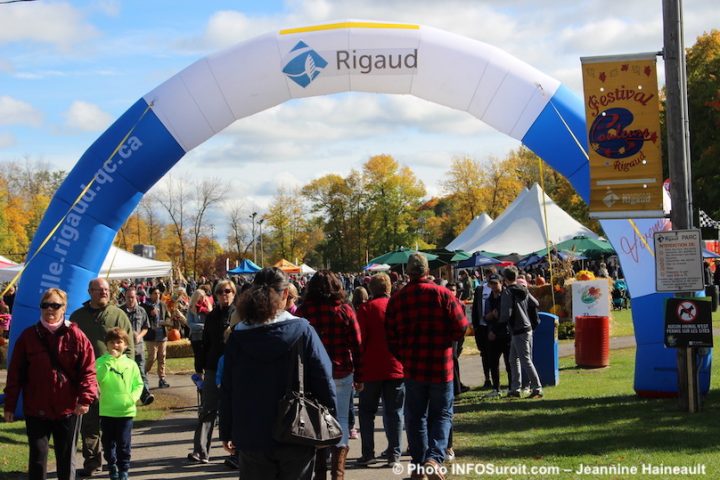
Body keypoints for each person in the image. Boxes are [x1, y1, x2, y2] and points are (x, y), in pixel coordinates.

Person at [219, 267, 336, 480]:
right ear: (285, 294)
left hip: (252, 432)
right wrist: (329, 421)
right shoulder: (302, 330)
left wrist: (226, 430)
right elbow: (324, 378)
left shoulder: (239, 336)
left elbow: (227, 387)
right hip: (297, 429)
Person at [385, 253, 468, 480]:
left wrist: (403, 355)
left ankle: (420, 464)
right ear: (427, 271)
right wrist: (447, 342)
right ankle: (434, 458)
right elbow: (462, 326)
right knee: (441, 414)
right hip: (441, 365)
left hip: (413, 366)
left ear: (408, 273)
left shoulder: (398, 299)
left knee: (416, 416)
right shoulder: (443, 294)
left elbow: (390, 337)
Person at [4, 288, 98, 480]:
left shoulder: (77, 336)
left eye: (55, 305)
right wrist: (10, 405)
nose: (50, 310)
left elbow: (88, 370)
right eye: (45, 305)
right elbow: (15, 374)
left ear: (64, 308)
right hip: (36, 409)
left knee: (65, 459)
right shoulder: (28, 337)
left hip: (68, 409)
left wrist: (85, 399)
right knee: (38, 458)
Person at [296, 270, 362, 480]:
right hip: (342, 370)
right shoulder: (344, 310)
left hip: (312, 375)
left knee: (316, 421)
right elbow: (357, 344)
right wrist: (360, 375)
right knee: (340, 420)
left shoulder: (304, 312)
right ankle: (337, 474)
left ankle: (321, 472)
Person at [71, 278, 134, 477]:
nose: (104, 293)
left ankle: (112, 461)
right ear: (90, 291)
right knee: (89, 424)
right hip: (87, 379)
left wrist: (126, 375)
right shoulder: (78, 316)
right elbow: (70, 348)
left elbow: (129, 347)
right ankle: (91, 462)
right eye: (99, 290)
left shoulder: (118, 315)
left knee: (112, 426)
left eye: (106, 290)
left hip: (113, 383)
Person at [355, 273, 405, 469]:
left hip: (371, 369)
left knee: (366, 412)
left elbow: (360, 342)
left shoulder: (366, 309)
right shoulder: (398, 307)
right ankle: (394, 453)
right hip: (396, 367)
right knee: (395, 412)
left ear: (371, 289)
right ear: (389, 288)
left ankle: (368, 453)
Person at [187, 279, 235, 464]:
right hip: (213, 367)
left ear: (233, 293)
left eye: (228, 291)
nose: (225, 294)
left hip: (234, 369)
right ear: (215, 295)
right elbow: (204, 343)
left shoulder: (239, 314)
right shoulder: (212, 316)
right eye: (221, 291)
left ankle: (236, 453)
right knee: (207, 410)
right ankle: (200, 451)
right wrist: (199, 367)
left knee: (234, 410)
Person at [96, 328, 143, 480]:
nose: (115, 345)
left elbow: (138, 384)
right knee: (108, 443)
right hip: (107, 410)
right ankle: (112, 466)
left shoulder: (131, 364)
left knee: (124, 443)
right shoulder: (101, 362)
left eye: (119, 342)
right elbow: (98, 379)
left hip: (125, 411)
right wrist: (109, 361)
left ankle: (124, 469)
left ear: (126, 345)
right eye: (112, 342)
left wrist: (132, 398)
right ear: (107, 345)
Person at [501, 267, 543, 399]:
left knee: (525, 360)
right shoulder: (523, 289)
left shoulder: (508, 292)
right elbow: (535, 303)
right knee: (513, 359)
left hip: (518, 329)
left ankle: (537, 388)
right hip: (526, 328)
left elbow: (506, 313)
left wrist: (498, 320)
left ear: (506, 279)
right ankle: (516, 388)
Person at [119, 286, 154, 406]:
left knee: (141, 371)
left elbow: (146, 327)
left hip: (138, 347)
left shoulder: (141, 311)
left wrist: (139, 336)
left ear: (136, 297)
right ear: (125, 297)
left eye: (132, 297)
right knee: (127, 373)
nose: (130, 300)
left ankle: (146, 395)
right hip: (125, 349)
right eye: (128, 297)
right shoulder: (120, 312)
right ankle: (128, 396)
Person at [484, 274, 511, 396]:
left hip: (505, 334)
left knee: (509, 363)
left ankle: (512, 387)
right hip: (492, 334)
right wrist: (489, 317)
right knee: (493, 363)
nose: (494, 286)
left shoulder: (506, 296)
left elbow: (504, 317)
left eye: (496, 283)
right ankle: (496, 388)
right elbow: (486, 316)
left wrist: (496, 316)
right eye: (491, 284)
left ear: (501, 282)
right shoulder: (489, 299)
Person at [143, 287, 171, 389]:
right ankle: (143, 373)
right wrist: (150, 315)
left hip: (162, 334)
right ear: (150, 295)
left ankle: (162, 379)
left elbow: (167, 315)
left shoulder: (162, 304)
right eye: (155, 293)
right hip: (151, 336)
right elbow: (143, 319)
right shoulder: (145, 306)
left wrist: (166, 321)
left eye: (158, 293)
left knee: (162, 357)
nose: (157, 295)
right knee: (152, 357)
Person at [471, 274, 493, 389]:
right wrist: (475, 325)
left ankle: (496, 379)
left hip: (493, 327)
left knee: (493, 354)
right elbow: (475, 307)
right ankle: (487, 379)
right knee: (484, 354)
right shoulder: (480, 289)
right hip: (481, 327)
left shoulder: (497, 289)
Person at [186, 288, 209, 375]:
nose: (203, 299)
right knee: (198, 358)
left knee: (207, 357)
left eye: (204, 297)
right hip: (196, 337)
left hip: (206, 336)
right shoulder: (192, 308)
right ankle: (199, 378)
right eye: (201, 297)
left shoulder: (207, 308)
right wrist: (203, 326)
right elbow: (190, 323)